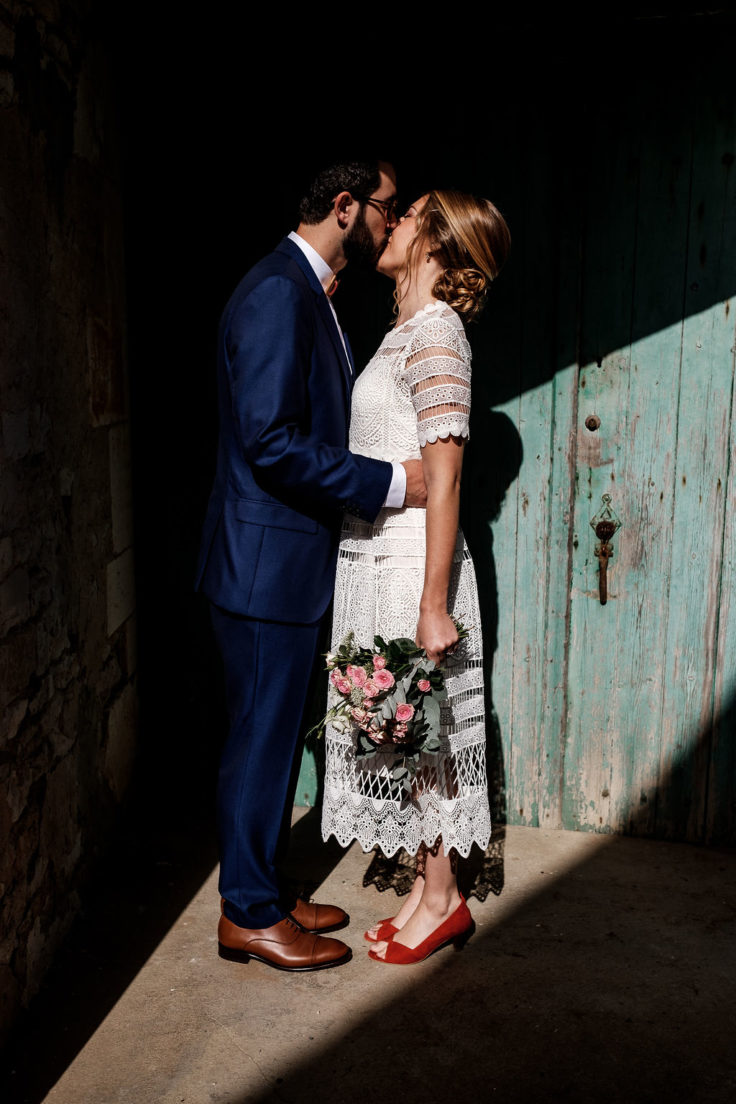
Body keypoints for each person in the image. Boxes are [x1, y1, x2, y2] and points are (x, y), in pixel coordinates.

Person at [196, 159, 427, 972]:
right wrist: (395, 484)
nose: (392, 224)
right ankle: (247, 914)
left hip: (285, 569)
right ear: (344, 205)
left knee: (274, 738)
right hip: (263, 570)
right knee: (260, 742)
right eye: (386, 209)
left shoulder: (310, 292)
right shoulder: (275, 293)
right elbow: (269, 442)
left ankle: (263, 881)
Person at [321, 189, 511, 964]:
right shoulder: (404, 330)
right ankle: (426, 891)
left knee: (427, 738)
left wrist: (433, 603)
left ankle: (445, 899)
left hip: (409, 571)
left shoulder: (438, 334)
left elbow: (448, 474)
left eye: (408, 213)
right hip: (376, 564)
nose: (390, 221)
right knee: (405, 737)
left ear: (435, 238)